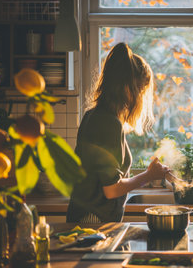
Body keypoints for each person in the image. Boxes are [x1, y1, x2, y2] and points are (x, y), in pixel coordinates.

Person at [67, 43, 170, 223]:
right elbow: (111, 189)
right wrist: (149, 176)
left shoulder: (94, 115)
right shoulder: (108, 123)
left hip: (86, 216)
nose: (140, 97)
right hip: (92, 221)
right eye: (141, 90)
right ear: (128, 88)